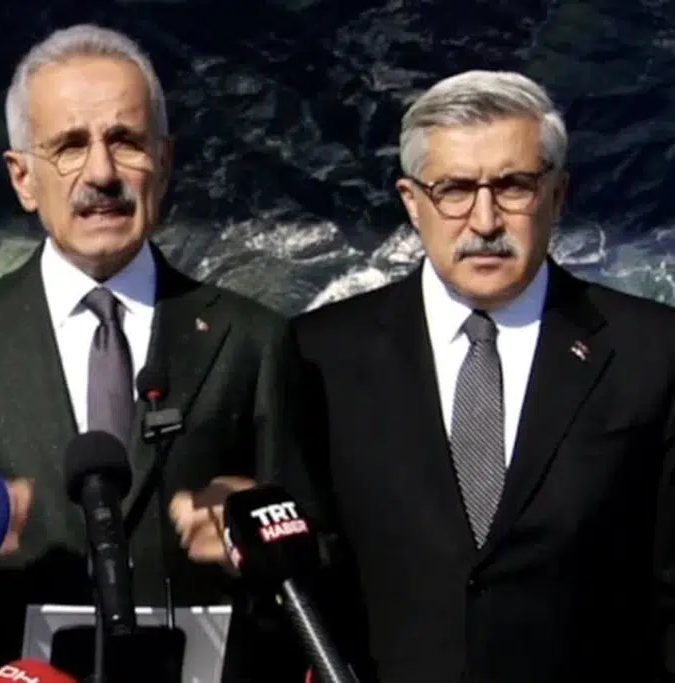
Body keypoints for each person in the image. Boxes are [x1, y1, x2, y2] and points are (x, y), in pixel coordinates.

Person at [174, 70, 675, 682]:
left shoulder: (652, 351)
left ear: (558, 194)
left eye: (513, 186)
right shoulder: (319, 355)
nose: (484, 220)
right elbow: (297, 588)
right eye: (455, 190)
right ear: (412, 202)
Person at [0, 24, 303, 682]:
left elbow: (323, 556)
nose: (101, 173)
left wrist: (258, 542)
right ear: (22, 178)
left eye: (125, 141)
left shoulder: (252, 340)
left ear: (166, 161)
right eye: (69, 146)